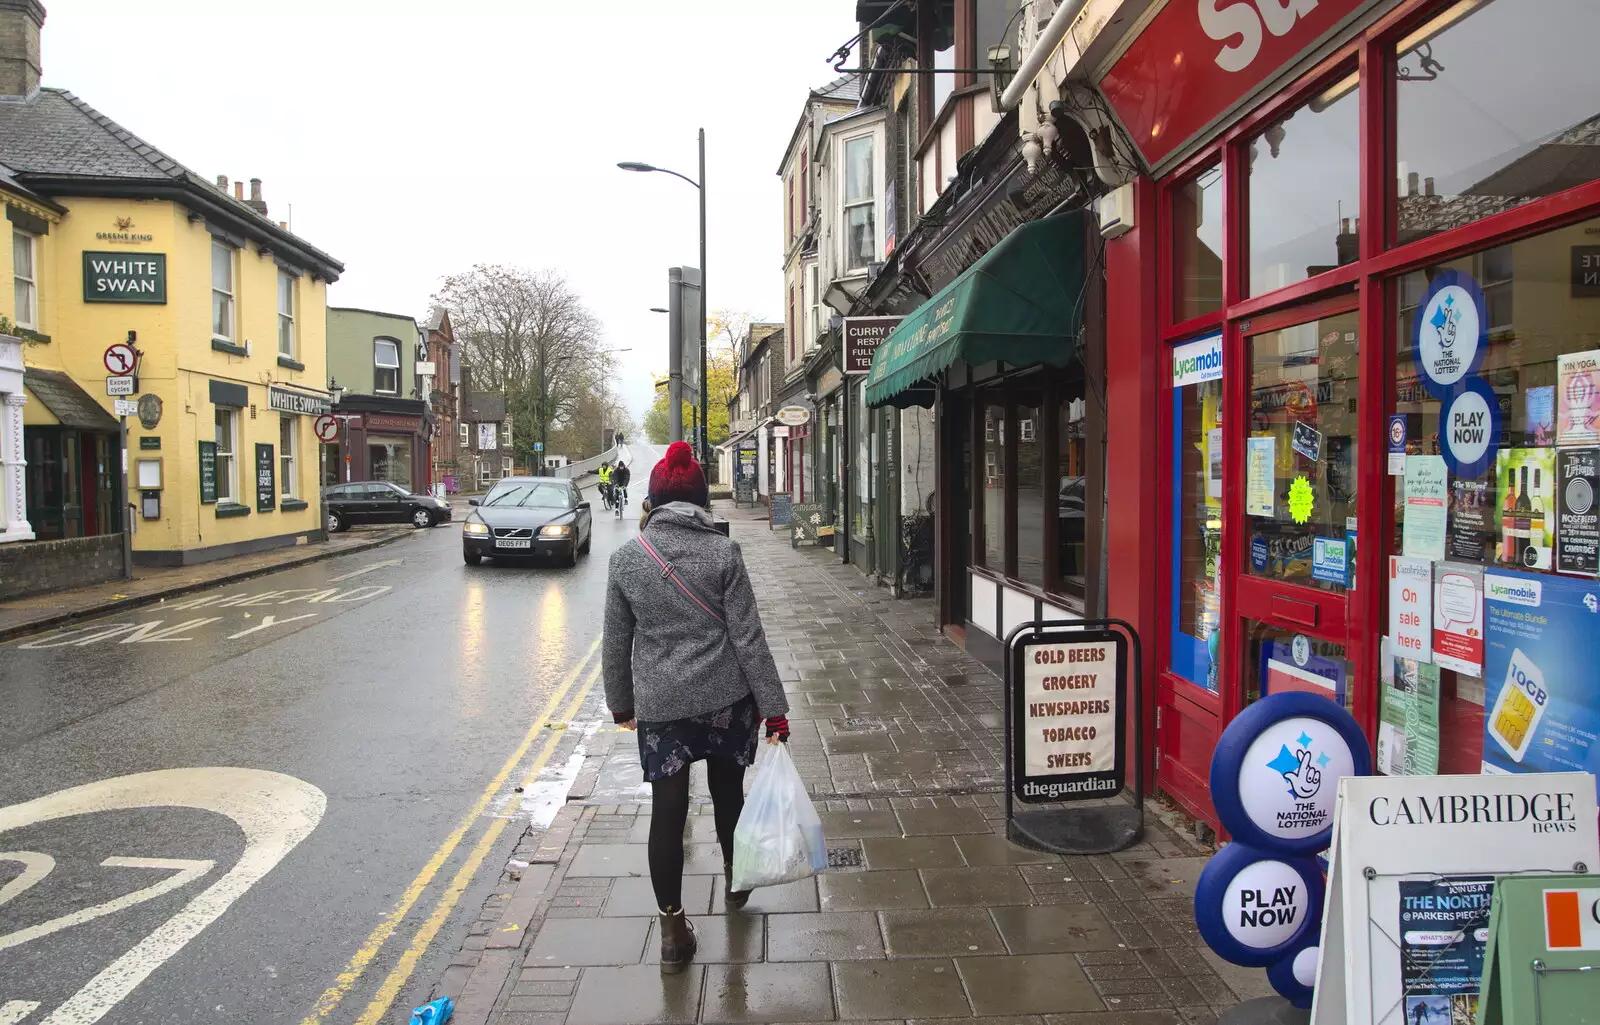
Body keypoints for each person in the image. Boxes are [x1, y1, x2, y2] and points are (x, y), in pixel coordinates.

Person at [603, 441, 789, 974]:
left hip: (663, 706)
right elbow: (748, 638)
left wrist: (622, 706)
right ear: (702, 501)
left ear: (654, 499)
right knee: (729, 793)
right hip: (726, 699)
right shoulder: (724, 553)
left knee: (668, 812)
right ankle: (735, 883)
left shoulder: (627, 560)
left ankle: (672, 930)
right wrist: (773, 709)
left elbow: (616, 643)